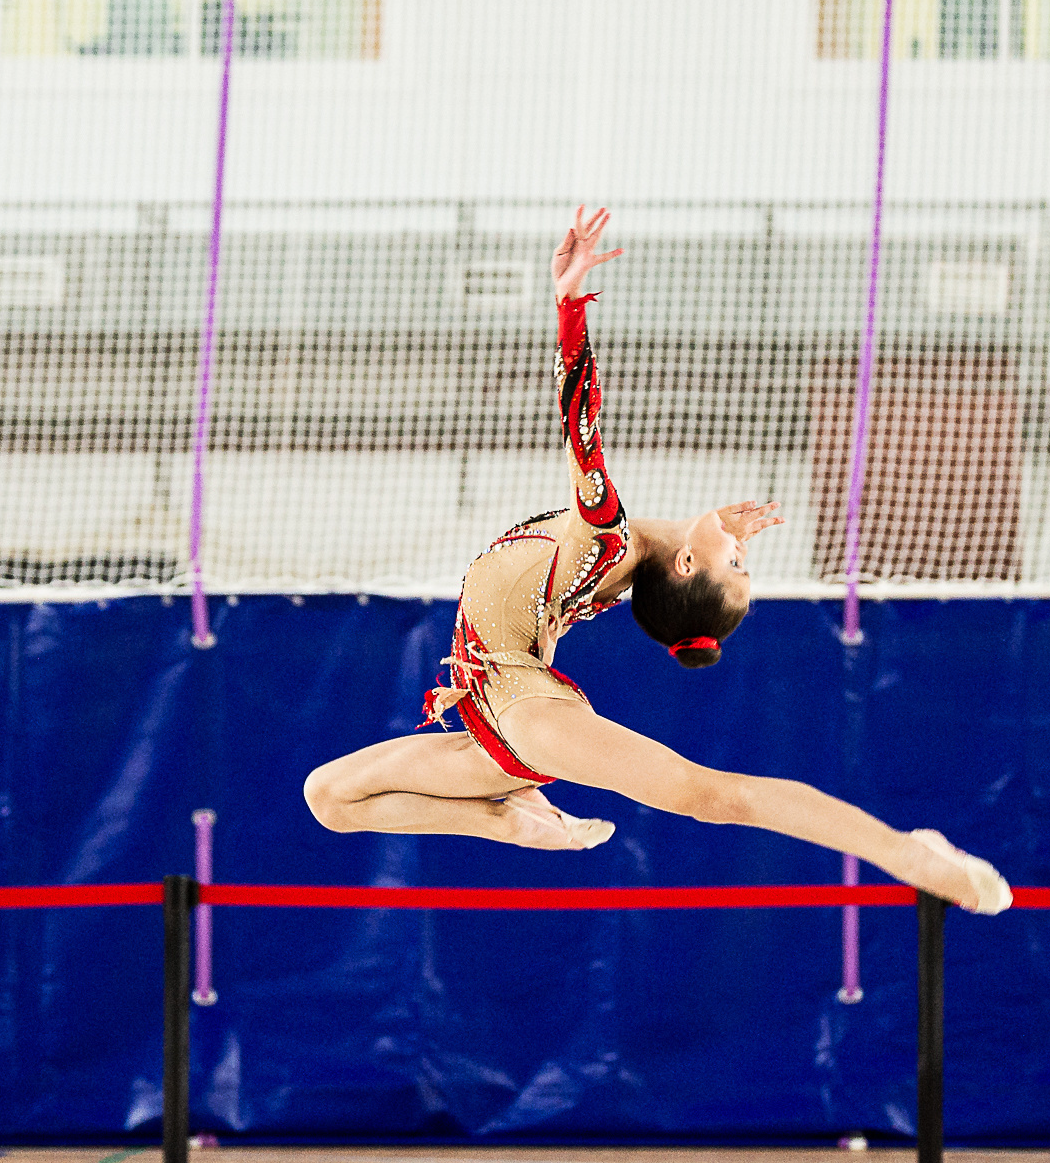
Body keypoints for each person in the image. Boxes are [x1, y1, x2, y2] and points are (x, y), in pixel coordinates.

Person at [303, 208, 1010, 913]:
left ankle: (914, 854)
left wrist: (569, 303)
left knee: (711, 796)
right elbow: (667, 575)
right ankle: (507, 820)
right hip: (492, 725)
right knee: (329, 796)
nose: (741, 553)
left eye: (735, 566)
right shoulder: (618, 577)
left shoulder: (606, 537)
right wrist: (715, 537)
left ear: (684, 568)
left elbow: (580, 416)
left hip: (524, 711)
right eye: (744, 563)